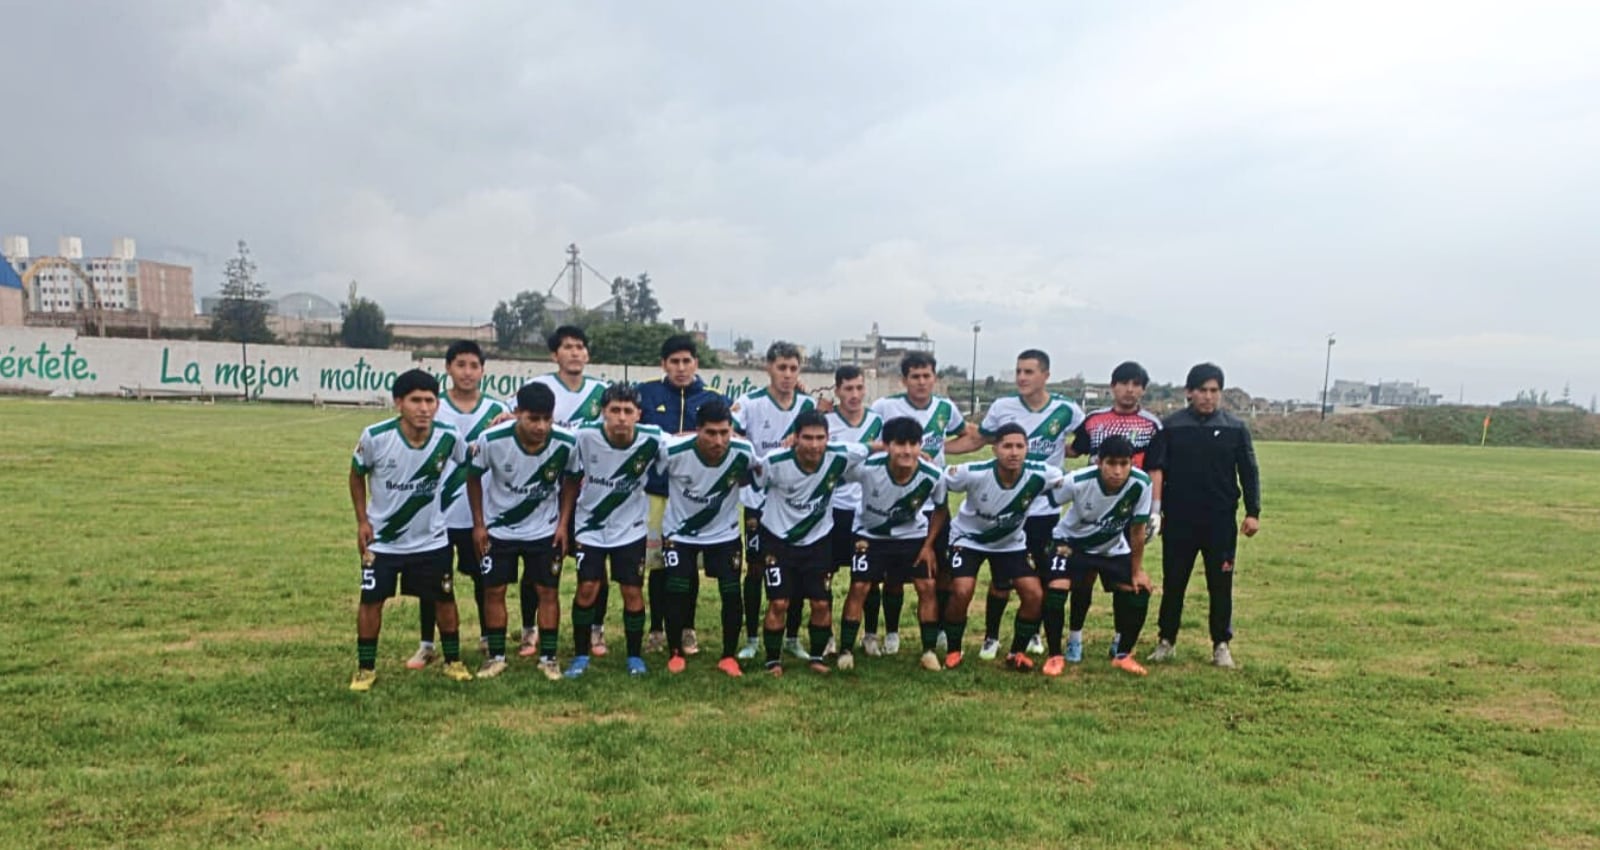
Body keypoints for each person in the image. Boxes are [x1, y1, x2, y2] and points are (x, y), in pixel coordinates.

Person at [347, 369, 474, 691]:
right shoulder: (375, 436)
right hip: (384, 542)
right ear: (399, 402)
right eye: (415, 400)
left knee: (445, 599)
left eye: (430, 400)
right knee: (371, 601)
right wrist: (363, 520)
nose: (424, 408)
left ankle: (453, 660)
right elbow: (355, 475)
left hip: (431, 541)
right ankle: (365, 668)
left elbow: (471, 463)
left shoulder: (448, 437)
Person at [1144, 362, 1261, 669]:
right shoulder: (1170, 427)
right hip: (1180, 520)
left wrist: (1253, 512)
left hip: (1220, 521)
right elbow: (1157, 470)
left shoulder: (1235, 428)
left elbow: (1248, 472)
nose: (1208, 397)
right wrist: (1157, 511)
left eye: (1214, 391)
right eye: (1202, 391)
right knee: (1174, 583)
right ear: (1189, 393)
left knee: (1220, 584)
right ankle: (1166, 641)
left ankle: (1221, 645)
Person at [869, 352, 986, 655]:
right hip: (897, 500)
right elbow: (868, 441)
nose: (921, 382)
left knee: (942, 571)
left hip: (934, 501)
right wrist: (905, 453)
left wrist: (940, 451)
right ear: (904, 380)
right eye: (915, 376)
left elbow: (968, 437)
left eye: (927, 376)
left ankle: (943, 632)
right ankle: (891, 632)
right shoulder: (885, 407)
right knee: (894, 576)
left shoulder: (945, 408)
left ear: (935, 378)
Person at [975, 349, 1084, 662]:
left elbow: (1084, 440)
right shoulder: (1002, 406)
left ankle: (1032, 631)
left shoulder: (1066, 409)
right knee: (1001, 580)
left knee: (1041, 578)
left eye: (1029, 372)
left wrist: (1069, 452)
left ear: (1045, 376)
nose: (1021, 377)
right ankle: (991, 636)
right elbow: (980, 439)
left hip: (1045, 511)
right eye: (1018, 371)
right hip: (1007, 509)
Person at [465, 382, 577, 681]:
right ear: (517, 414)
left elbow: (571, 483)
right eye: (533, 419)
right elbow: (473, 478)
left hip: (544, 531)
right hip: (499, 530)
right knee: (494, 590)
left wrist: (564, 524)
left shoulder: (566, 442)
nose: (541, 426)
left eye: (547, 419)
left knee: (548, 591)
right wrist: (478, 524)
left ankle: (549, 658)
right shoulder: (491, 439)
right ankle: (496, 656)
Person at [412, 340, 509, 671]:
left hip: (480, 514)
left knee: (486, 579)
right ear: (448, 368)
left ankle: (486, 637)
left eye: (474, 365)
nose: (467, 372)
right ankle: (427, 644)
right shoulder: (431, 407)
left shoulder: (498, 410)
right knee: (433, 581)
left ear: (483, 370)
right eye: (460, 365)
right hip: (437, 512)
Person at [750, 410, 867, 675]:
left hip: (818, 541)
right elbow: (754, 483)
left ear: (827, 438)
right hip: (778, 540)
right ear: (795, 438)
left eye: (820, 438)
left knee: (821, 603)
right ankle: (772, 660)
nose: (814, 445)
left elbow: (870, 447)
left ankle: (816, 657)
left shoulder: (840, 455)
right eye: (807, 438)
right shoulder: (776, 461)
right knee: (779, 603)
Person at [560, 384, 666, 678]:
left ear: (638, 414)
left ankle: (634, 656)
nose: (621, 417)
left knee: (632, 591)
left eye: (627, 411)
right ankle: (581, 655)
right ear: (603, 412)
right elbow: (550, 440)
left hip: (630, 529)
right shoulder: (583, 436)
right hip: (590, 527)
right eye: (615, 410)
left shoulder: (653, 439)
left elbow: (689, 444)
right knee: (587, 589)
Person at [942, 423, 1064, 670]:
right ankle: (954, 649)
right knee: (963, 590)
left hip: (1010, 544)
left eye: (1020, 446)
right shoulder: (973, 472)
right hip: (968, 539)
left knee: (1034, 595)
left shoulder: (1043, 474)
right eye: (1007, 446)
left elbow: (1071, 483)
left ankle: (1016, 652)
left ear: (1027, 449)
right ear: (994, 448)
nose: (1014, 452)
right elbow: (941, 479)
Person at [527, 325, 615, 657]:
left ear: (588, 354)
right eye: (567, 347)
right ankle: (530, 629)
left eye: (580, 346)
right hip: (546, 491)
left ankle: (596, 629)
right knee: (539, 564)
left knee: (594, 567)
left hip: (593, 493)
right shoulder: (539, 387)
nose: (575, 352)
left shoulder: (602, 391)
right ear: (555, 354)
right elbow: (515, 417)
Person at [1067, 360, 1163, 661]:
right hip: (1092, 509)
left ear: (1143, 390)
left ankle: (1120, 640)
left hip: (1129, 509)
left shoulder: (1152, 424)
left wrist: (1155, 510)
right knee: (1083, 578)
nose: (1129, 390)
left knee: (1125, 579)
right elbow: (1074, 449)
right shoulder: (1094, 420)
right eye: (1124, 383)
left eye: (1136, 384)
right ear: (1113, 387)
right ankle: (1075, 638)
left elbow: (1157, 468)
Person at [653, 398, 755, 676]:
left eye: (724, 432)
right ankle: (675, 651)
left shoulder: (744, 451)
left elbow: (756, 474)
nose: (718, 440)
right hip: (680, 533)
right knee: (676, 589)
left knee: (731, 592)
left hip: (724, 533)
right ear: (697, 430)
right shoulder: (673, 450)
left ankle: (728, 656)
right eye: (710, 432)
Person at [837, 416, 947, 672]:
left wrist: (928, 545)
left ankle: (929, 651)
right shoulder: (868, 467)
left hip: (911, 536)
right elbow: (838, 464)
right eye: (899, 444)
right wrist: (870, 448)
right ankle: (845, 650)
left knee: (927, 586)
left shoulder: (932, 475)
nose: (907, 451)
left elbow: (941, 509)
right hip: (869, 534)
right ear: (887, 445)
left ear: (921, 446)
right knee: (860, 586)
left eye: (913, 444)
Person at [731, 342, 817, 660]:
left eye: (793, 368)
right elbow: (730, 435)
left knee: (796, 570)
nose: (787, 375)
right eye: (781, 367)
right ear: (768, 367)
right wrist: (755, 457)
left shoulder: (808, 406)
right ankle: (752, 638)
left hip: (796, 502)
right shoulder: (750, 403)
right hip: (758, 500)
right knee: (755, 568)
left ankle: (793, 637)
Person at [639, 334, 720, 658]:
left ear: (696, 364)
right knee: (657, 566)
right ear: (664, 365)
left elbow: (732, 432)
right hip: (657, 493)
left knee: (687, 566)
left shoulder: (712, 398)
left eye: (687, 361)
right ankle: (657, 629)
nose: (681, 368)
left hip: (695, 496)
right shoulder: (647, 394)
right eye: (674, 362)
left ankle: (687, 629)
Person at [1045, 435, 1154, 677]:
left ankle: (1123, 655)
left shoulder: (1142, 484)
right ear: (1099, 462)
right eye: (1111, 463)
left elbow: (1137, 531)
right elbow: (1044, 502)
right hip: (1070, 543)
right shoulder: (1078, 481)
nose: (1117, 471)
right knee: (1057, 587)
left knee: (1139, 590)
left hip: (1111, 548)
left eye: (1124, 464)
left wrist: (1136, 571)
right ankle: (1055, 654)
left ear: (1132, 464)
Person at [824, 365, 884, 656]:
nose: (855, 395)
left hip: (868, 511)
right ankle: (828, 635)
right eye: (848, 389)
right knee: (826, 574)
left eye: (859, 388)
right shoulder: (826, 422)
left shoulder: (878, 421)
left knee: (868, 578)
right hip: (832, 509)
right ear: (837, 391)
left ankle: (870, 634)